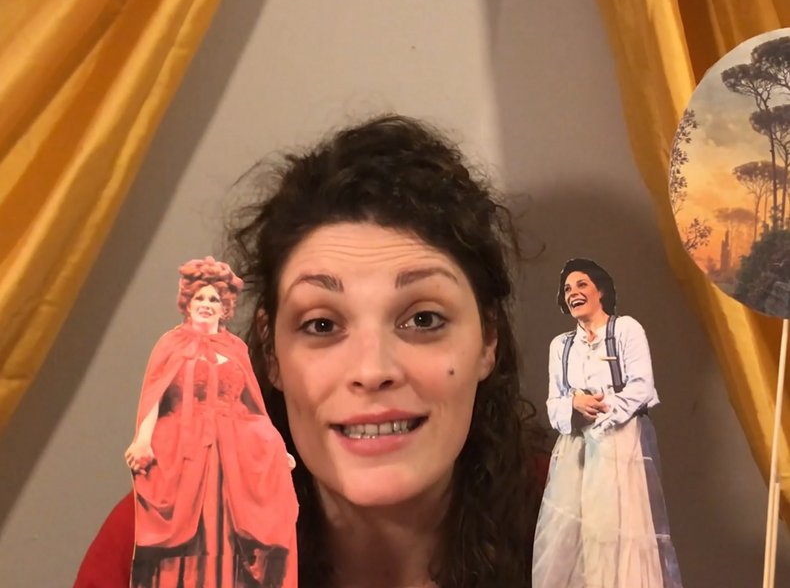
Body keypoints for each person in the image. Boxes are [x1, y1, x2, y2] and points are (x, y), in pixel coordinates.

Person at [75, 114, 544, 588]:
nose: (372, 370)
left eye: (423, 320)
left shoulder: (581, 520)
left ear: (488, 338)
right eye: (321, 325)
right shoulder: (156, 539)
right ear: (271, 352)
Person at [124, 256, 298, 588]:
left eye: (214, 299)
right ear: (188, 302)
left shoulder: (235, 348)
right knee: (191, 525)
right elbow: (154, 394)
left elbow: (252, 405)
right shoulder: (171, 343)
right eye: (200, 297)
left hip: (232, 448)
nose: (206, 304)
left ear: (225, 306)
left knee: (230, 522)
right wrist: (143, 439)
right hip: (183, 446)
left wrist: (277, 448)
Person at [531, 258, 682, 588]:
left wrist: (603, 410)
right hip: (575, 452)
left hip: (620, 443)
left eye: (582, 284)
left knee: (620, 530)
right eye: (567, 289)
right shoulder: (561, 346)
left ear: (600, 291)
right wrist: (574, 404)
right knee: (575, 534)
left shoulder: (625, 329)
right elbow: (554, 403)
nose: (573, 293)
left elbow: (642, 387)